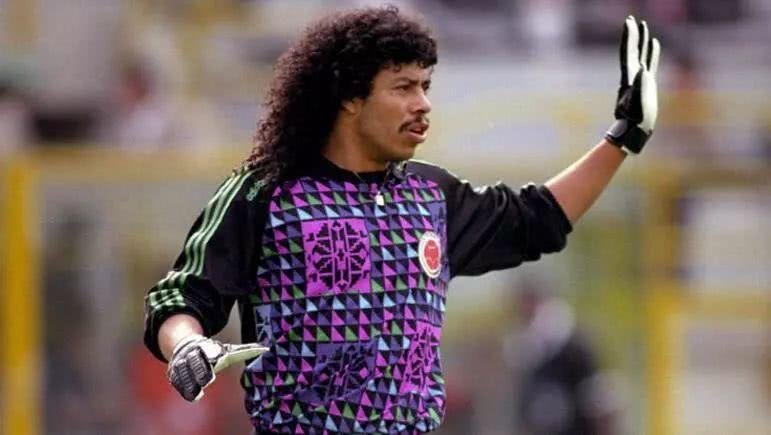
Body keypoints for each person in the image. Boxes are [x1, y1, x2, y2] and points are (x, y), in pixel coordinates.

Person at [143, 7, 660, 434]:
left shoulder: (432, 196)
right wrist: (187, 345)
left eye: (426, 86)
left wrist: (623, 137)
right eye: (404, 87)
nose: (423, 104)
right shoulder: (266, 192)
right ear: (350, 96)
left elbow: (538, 217)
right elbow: (182, 298)